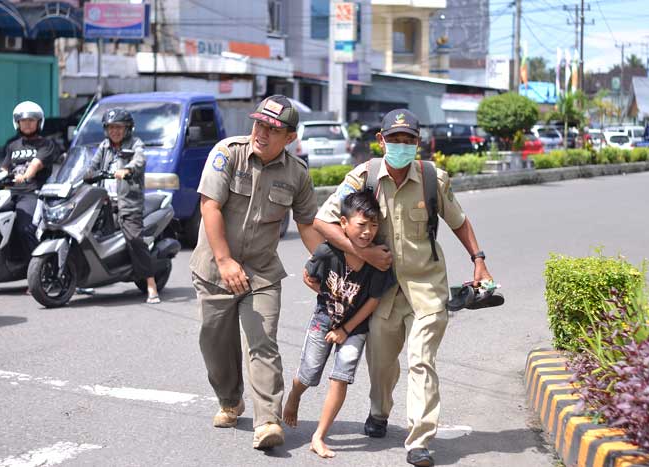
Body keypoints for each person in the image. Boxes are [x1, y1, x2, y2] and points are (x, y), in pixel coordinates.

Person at [312, 109, 494, 467]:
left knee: (422, 359)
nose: (401, 146)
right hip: (382, 290)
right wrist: (360, 250)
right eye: (394, 139)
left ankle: (419, 440)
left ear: (417, 144)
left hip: (427, 286)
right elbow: (324, 220)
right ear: (381, 142)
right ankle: (379, 411)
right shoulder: (363, 177)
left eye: (408, 140)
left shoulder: (432, 179)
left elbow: (458, 221)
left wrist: (479, 258)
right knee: (381, 360)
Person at [189, 95, 323, 450]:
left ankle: (267, 421)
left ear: (290, 137)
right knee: (214, 342)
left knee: (263, 341)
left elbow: (308, 224)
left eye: (273, 129)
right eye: (259, 124)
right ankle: (230, 400)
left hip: (261, 273)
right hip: (214, 268)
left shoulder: (297, 173)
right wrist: (224, 261)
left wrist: (326, 266)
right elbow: (210, 206)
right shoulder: (228, 153)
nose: (261, 133)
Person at [283, 190, 396, 459]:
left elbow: (373, 301)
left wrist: (345, 329)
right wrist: (329, 297)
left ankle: (318, 436)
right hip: (324, 319)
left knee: (341, 377)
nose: (368, 232)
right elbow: (308, 277)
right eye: (361, 225)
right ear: (344, 223)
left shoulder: (379, 260)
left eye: (373, 225)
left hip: (355, 327)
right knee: (309, 374)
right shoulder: (329, 250)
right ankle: (295, 395)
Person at [84, 108, 159, 304]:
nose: (115, 131)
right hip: (103, 202)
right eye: (111, 127)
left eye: (119, 127)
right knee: (86, 234)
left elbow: (140, 159)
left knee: (134, 239)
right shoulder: (104, 146)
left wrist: (127, 169)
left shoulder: (135, 143)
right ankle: (87, 278)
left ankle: (151, 284)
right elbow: (91, 167)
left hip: (128, 203)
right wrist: (85, 174)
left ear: (128, 128)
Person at [0, 101, 57, 260]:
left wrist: (24, 176)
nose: (27, 124)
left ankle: (38, 267)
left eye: (31, 120)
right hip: (9, 193)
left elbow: (35, 165)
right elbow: (4, 170)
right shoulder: (12, 145)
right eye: (23, 120)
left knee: (26, 228)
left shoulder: (46, 144)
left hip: (32, 193)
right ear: (17, 123)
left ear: (39, 122)